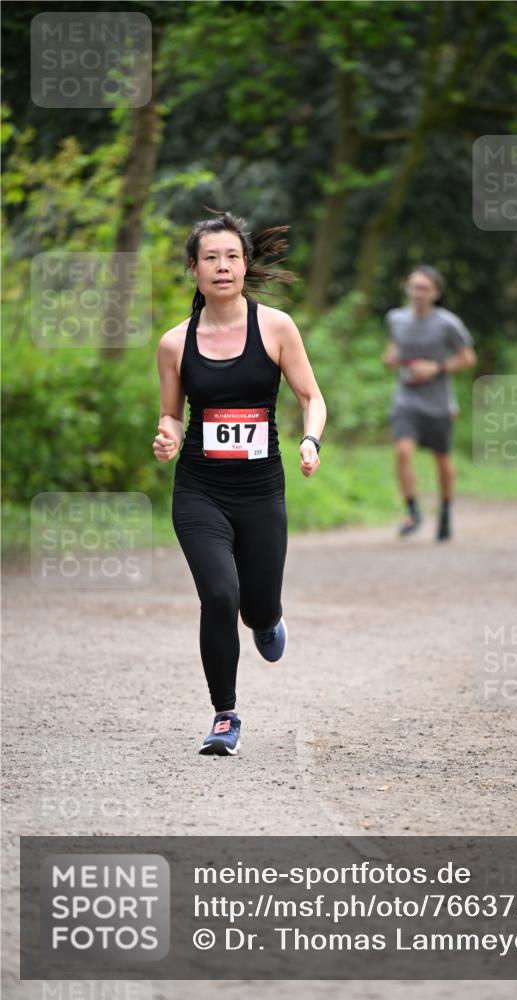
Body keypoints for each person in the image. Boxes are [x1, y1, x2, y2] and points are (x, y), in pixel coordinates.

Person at [153, 211, 326, 756]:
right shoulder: (174, 342)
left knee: (257, 608)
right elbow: (172, 413)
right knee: (219, 595)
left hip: (260, 492)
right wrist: (167, 436)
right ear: (194, 268)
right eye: (210, 257)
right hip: (199, 489)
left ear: (246, 264)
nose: (222, 266)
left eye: (231, 256)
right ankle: (224, 715)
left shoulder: (275, 328)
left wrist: (311, 440)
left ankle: (267, 619)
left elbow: (311, 397)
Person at [382, 265, 476, 540]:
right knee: (402, 451)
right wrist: (391, 357)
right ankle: (413, 511)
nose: (418, 293)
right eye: (414, 287)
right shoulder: (396, 318)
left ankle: (445, 509)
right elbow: (394, 346)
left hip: (438, 400)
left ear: (436, 293)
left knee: (442, 458)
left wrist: (436, 368)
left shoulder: (448, 323)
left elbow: (468, 358)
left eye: (424, 288)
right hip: (406, 396)